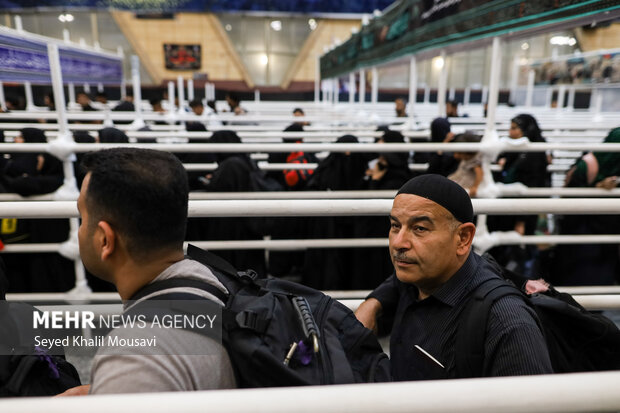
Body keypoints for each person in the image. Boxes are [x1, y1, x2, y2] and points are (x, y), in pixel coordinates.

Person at [60, 148, 236, 395]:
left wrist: (119, 383)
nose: (79, 230)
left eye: (83, 216)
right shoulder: (209, 280)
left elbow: (147, 367)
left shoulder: (133, 357)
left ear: (105, 240)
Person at [354, 174, 553, 380]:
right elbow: (395, 282)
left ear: (463, 238)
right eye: (395, 226)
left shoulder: (507, 323)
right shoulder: (417, 276)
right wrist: (374, 303)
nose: (399, 242)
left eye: (420, 228)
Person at [447, 133, 483, 197]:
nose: (457, 155)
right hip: (460, 178)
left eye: (460, 153)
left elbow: (479, 173)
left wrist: (475, 187)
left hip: (465, 184)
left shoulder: (474, 161)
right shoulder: (467, 158)